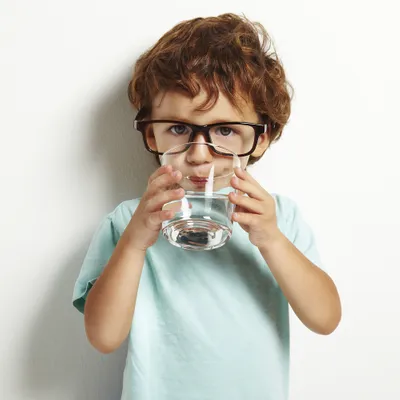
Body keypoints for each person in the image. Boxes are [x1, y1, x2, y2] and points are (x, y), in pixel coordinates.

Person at [72, 13, 341, 400]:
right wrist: (134, 243)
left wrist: (272, 240)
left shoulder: (279, 218)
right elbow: (103, 337)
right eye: (179, 129)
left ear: (261, 139)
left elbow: (325, 318)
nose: (200, 155)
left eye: (225, 130)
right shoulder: (129, 222)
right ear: (152, 133)